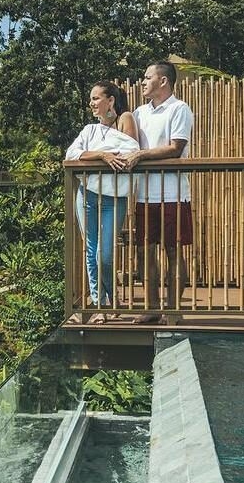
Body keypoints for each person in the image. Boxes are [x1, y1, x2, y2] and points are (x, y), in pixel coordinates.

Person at [122, 61, 194, 323]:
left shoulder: (179, 109)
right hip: (144, 195)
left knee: (173, 251)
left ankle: (174, 310)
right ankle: (151, 308)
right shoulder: (139, 113)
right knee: (144, 251)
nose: (142, 81)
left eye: (147, 77)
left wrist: (140, 154)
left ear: (163, 81)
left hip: (173, 194)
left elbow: (175, 147)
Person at [65, 80, 139, 323]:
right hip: (86, 195)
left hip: (113, 198)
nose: (91, 103)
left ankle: (112, 299)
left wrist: (94, 155)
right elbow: (71, 155)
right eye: (91, 99)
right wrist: (102, 155)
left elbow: (129, 150)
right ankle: (100, 304)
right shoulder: (89, 131)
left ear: (110, 100)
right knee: (91, 251)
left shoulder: (125, 120)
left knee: (104, 255)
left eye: (96, 98)